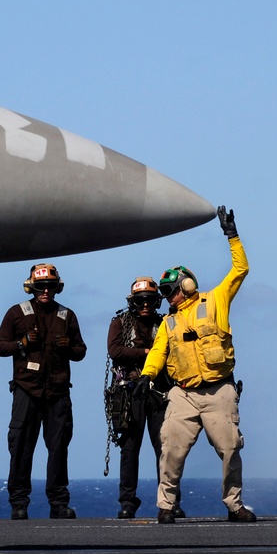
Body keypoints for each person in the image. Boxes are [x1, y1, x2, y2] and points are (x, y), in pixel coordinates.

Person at [139, 206, 253, 524]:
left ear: (186, 285)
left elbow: (239, 270)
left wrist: (232, 236)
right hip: (183, 394)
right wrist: (146, 376)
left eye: (170, 291)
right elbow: (158, 353)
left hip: (219, 390)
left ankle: (234, 504)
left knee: (230, 449)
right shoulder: (169, 323)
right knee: (171, 450)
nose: (166, 297)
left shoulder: (216, 300)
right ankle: (165, 506)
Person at [0, 263, 86, 520]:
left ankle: (58, 504)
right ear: (31, 287)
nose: (46, 291)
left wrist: (69, 348)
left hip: (57, 392)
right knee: (21, 447)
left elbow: (81, 351)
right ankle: (19, 504)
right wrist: (21, 344)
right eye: (41, 287)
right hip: (26, 390)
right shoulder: (16, 313)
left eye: (50, 287)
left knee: (58, 448)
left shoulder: (67, 315)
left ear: (57, 288)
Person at [106, 276, 184, 520]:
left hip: (159, 392)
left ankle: (170, 501)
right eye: (140, 301)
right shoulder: (120, 322)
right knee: (129, 448)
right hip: (129, 393)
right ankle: (128, 502)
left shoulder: (165, 323)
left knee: (165, 449)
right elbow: (115, 350)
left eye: (150, 300)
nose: (145, 305)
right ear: (133, 302)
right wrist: (148, 353)